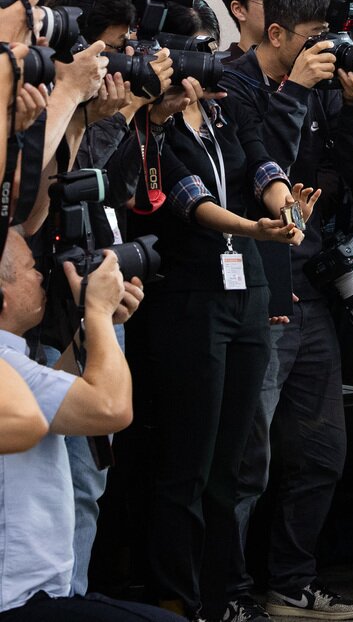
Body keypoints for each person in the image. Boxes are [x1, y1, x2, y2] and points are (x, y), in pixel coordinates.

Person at [126, 71, 316, 621]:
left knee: (231, 463)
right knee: (189, 458)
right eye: (189, 58)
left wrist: (286, 207)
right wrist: (254, 228)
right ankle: (176, 599)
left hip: (248, 291)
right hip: (191, 296)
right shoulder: (152, 127)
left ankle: (223, 594)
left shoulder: (225, 115)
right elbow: (190, 201)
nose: (199, 74)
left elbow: (264, 166)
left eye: (206, 56)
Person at [220, 0, 353, 620]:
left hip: (311, 290)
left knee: (322, 454)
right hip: (253, 292)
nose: (325, 51)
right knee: (244, 461)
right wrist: (296, 93)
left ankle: (292, 582)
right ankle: (224, 592)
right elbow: (254, 167)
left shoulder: (319, 86)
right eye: (314, 39)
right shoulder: (234, 84)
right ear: (275, 30)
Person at [0, 232, 183, 622]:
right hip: (16, 603)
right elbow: (110, 408)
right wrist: (97, 314)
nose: (41, 276)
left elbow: (53, 399)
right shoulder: (6, 366)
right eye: (33, 269)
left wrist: (88, 334)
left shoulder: (12, 364)